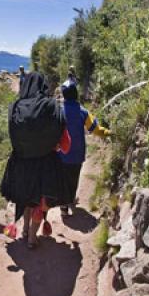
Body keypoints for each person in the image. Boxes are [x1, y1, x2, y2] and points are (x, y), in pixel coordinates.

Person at [1, 72, 72, 249]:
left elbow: (13, 136)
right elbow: (66, 144)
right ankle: (32, 238)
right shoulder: (52, 107)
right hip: (46, 164)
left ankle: (24, 231)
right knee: (40, 203)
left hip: (21, 163)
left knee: (26, 199)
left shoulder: (15, 107)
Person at [59, 79, 111, 216]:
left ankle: (63, 206)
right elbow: (95, 129)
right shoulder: (83, 112)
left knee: (62, 179)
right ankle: (70, 199)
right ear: (76, 94)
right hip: (77, 153)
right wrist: (108, 133)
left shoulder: (58, 111)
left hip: (61, 153)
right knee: (73, 177)